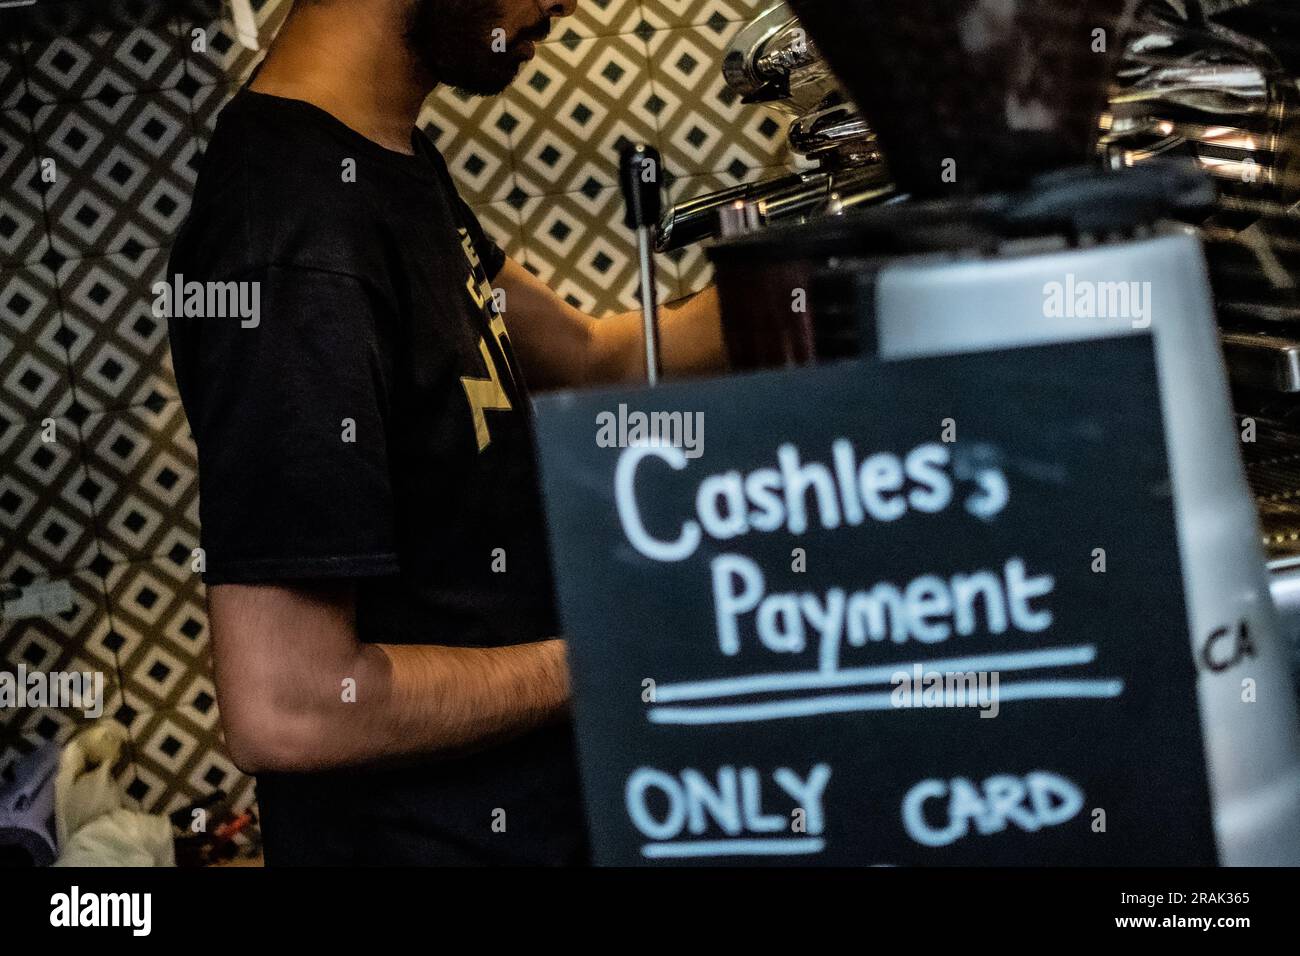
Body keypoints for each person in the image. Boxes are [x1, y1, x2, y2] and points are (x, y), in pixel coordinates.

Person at [167, 0, 723, 865]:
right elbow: (295, 705)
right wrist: (603, 653)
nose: (569, 1)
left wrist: (815, 274)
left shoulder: (382, 159)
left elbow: (585, 353)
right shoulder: (291, 239)